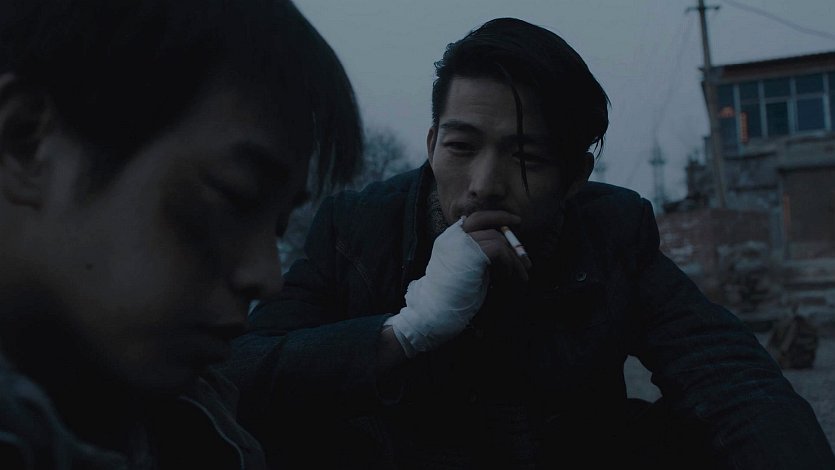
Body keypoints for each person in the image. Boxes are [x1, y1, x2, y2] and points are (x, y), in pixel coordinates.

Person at [224, 17, 835, 469]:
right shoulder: (357, 229)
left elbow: (734, 381)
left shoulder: (612, 231)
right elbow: (237, 374)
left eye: (527, 157)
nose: (484, 185)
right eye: (460, 147)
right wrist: (406, 332)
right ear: (432, 143)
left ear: (575, 176)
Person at [0, 0, 362, 468]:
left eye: (277, 227)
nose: (268, 278)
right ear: (26, 140)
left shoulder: (194, 423)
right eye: (236, 196)